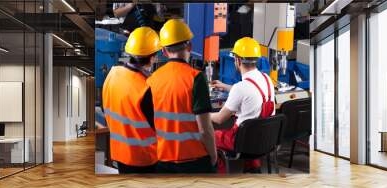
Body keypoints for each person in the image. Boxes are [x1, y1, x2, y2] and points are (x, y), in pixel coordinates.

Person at [147, 19, 217, 173]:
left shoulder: (152, 79)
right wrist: (213, 155)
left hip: (163, 160)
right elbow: (205, 129)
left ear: (164, 51)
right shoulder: (196, 78)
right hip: (195, 161)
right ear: (189, 46)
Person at [211, 37, 275, 174]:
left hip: (243, 141)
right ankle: (253, 169)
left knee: (210, 136)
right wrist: (225, 87)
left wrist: (202, 114)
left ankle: (219, 177)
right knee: (252, 126)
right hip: (264, 138)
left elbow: (219, 119)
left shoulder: (240, 88)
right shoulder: (266, 79)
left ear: (238, 60)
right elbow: (249, 91)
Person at [102, 27, 161, 174]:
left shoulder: (112, 74)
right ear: (153, 57)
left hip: (120, 155)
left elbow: (107, 109)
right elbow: (160, 128)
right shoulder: (146, 88)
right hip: (144, 159)